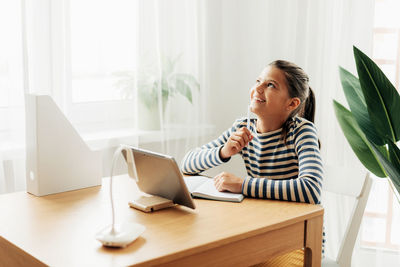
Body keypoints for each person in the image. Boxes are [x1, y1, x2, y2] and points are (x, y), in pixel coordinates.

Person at [181, 60, 324, 266]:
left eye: (270, 85)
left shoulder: (302, 132)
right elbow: (186, 163)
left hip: (297, 242)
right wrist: (224, 151)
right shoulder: (243, 127)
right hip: (260, 231)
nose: (257, 88)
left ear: (291, 104)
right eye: (258, 81)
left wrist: (243, 185)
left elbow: (310, 190)